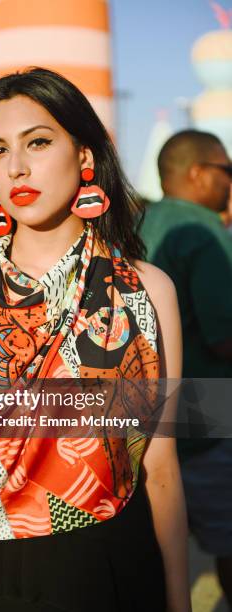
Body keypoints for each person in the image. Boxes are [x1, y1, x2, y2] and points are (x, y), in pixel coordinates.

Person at [0, 69, 190, 612]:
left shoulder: (144, 289)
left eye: (38, 142)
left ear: (86, 156)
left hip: (99, 567)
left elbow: (159, 465)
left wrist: (179, 602)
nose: (15, 166)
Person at [140, 129, 232, 608]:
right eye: (226, 170)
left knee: (154, 552)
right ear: (198, 173)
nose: (230, 182)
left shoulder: (141, 221)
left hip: (140, 413)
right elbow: (224, 338)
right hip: (207, 415)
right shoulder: (203, 227)